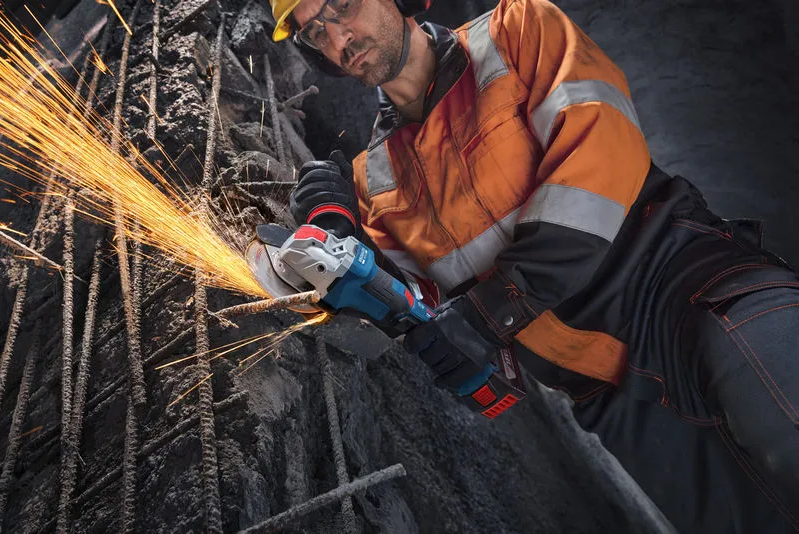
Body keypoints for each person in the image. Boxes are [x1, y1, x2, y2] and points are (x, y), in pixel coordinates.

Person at [268, 0, 799, 531]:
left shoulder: (517, 31)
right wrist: (340, 230)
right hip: (613, 397)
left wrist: (494, 310)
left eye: (343, 6)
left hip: (692, 292)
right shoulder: (374, 180)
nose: (340, 38)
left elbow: (597, 155)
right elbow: (424, 310)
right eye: (316, 33)